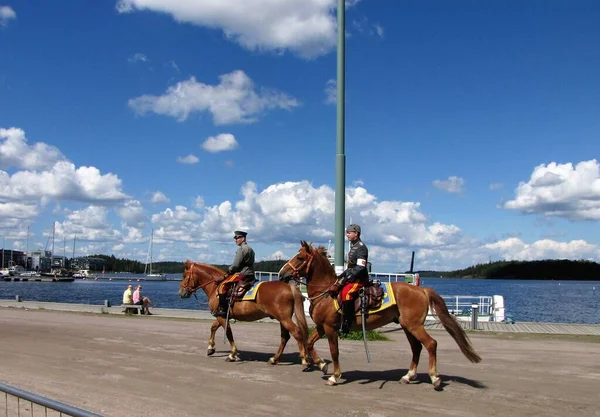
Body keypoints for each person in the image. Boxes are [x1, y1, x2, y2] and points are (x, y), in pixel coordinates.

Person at [329, 224, 369, 334]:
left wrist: (348, 277)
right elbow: (351, 265)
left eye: (349, 233)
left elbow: (360, 267)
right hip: (353, 276)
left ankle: (348, 322)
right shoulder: (354, 246)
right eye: (347, 232)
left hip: (359, 279)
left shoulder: (361, 247)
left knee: (347, 293)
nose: (347, 235)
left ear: (356, 233)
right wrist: (342, 275)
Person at [212, 230, 256, 317]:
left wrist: (229, 271)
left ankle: (223, 309)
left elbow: (235, 265)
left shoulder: (241, 250)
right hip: (251, 274)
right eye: (235, 238)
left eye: (237, 238)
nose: (235, 240)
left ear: (243, 238)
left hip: (242, 274)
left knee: (222, 286)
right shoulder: (251, 249)